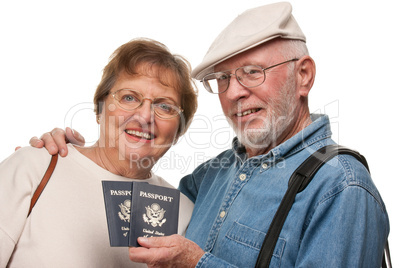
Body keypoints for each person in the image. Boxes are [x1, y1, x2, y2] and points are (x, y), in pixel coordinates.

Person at [28, 2, 390, 267]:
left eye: (252, 72)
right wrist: (69, 158)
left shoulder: (341, 188)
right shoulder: (210, 177)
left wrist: (198, 264)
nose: (233, 93)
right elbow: (130, 186)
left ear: (304, 76)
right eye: (223, 79)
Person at [0, 38, 197, 267]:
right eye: (129, 97)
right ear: (99, 109)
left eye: (165, 106)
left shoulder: (186, 214)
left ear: (179, 130)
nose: (145, 117)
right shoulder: (33, 167)